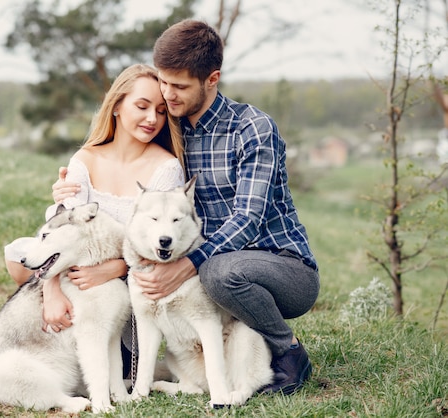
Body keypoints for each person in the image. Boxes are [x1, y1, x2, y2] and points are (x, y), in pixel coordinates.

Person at [53, 20, 320, 396]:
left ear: (212, 79)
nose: (168, 96)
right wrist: (68, 196)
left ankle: (288, 352)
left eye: (179, 87)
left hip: (281, 266)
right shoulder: (171, 128)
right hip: (208, 268)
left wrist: (184, 266)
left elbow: (248, 219)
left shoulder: (252, 129)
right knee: (197, 278)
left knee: (219, 273)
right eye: (164, 83)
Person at [4, 63, 185, 379]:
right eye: (141, 106)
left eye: (160, 110)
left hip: (133, 272)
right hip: (80, 266)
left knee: (106, 288)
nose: (152, 119)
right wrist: (52, 291)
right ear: (116, 106)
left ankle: (119, 351)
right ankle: (66, 336)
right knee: (19, 257)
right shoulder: (85, 159)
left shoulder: (166, 168)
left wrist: (116, 268)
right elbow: (66, 231)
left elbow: (162, 239)